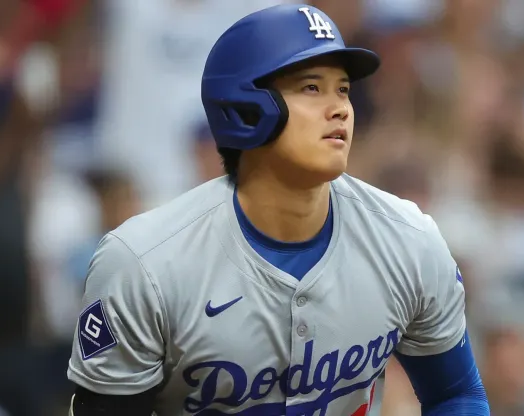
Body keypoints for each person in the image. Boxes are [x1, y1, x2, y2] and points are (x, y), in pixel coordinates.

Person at [67, 4, 490, 415]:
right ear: (245, 108)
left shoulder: (409, 240)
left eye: (343, 88)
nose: (340, 106)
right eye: (312, 87)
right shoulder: (144, 264)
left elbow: (457, 394)